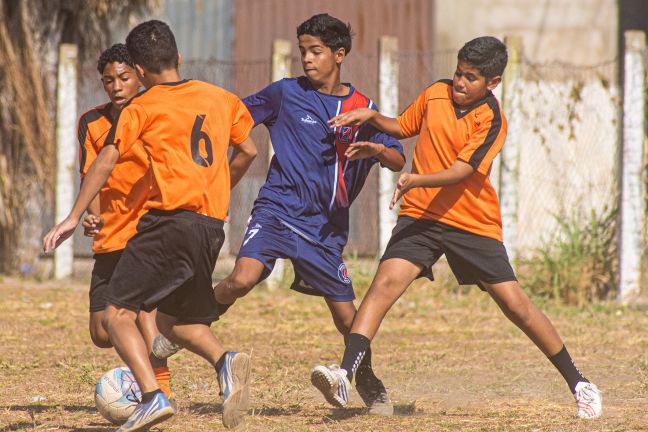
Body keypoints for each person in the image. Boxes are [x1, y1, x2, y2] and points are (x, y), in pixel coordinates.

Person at [311, 36, 603, 420]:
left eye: (470, 78)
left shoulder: (492, 120)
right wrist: (372, 119)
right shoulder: (436, 93)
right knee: (383, 285)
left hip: (471, 222)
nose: (460, 83)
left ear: (492, 83)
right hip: (422, 216)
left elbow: (463, 172)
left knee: (516, 306)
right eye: (458, 73)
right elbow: (401, 126)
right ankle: (345, 373)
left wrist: (417, 179)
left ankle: (579, 382)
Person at [44, 20, 257, 431]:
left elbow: (107, 159)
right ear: (179, 57)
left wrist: (72, 216)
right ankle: (226, 363)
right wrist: (219, 185)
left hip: (169, 222)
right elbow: (248, 149)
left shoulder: (142, 107)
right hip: (210, 227)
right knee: (174, 322)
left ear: (139, 71)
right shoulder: (222, 98)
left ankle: (153, 396)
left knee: (117, 314)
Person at [212, 13, 404, 415]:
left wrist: (375, 151)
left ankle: (366, 382)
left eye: (315, 51)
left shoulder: (363, 109)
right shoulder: (285, 93)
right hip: (277, 210)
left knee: (348, 320)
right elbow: (235, 118)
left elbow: (397, 158)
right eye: (302, 51)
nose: (307, 59)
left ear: (339, 54)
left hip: (324, 230)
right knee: (242, 278)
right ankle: (189, 323)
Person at [78, 42, 173, 399]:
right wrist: (91, 215)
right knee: (102, 332)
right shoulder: (91, 122)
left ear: (139, 77)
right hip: (110, 235)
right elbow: (92, 176)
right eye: (107, 80)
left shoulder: (156, 115)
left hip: (148, 231)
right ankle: (160, 334)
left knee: (140, 311)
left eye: (123, 77)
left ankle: (158, 389)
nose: (116, 86)